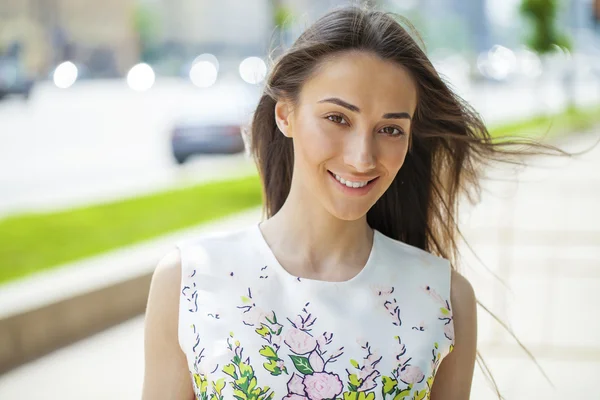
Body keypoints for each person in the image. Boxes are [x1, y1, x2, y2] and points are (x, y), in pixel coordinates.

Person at [142, 6, 563, 400]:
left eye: (391, 129)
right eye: (338, 119)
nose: (363, 157)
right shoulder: (189, 282)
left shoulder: (443, 298)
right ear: (285, 115)